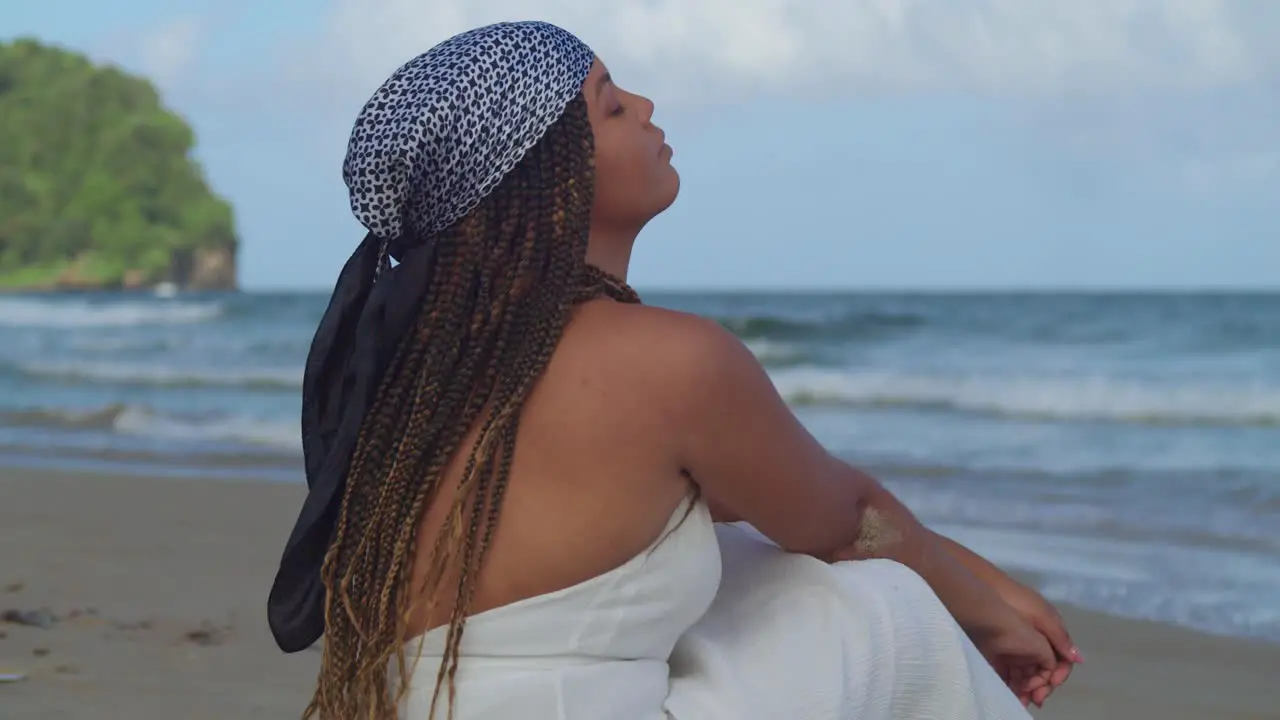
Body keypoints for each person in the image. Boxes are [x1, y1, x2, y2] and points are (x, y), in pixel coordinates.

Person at [267, 20, 1081, 720]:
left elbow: (779, 507)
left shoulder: (430, 375)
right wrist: (991, 616)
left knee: (756, 563)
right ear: (548, 178)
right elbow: (846, 519)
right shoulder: (667, 360)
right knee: (892, 607)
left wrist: (991, 590)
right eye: (612, 105)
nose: (647, 109)